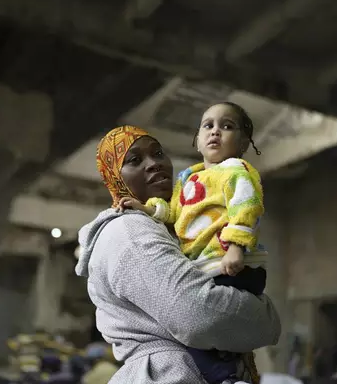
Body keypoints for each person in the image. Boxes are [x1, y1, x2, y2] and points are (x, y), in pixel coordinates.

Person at [75, 125, 281, 384]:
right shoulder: (129, 229)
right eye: (135, 160)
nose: (154, 164)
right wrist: (267, 318)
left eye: (158, 153)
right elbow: (200, 315)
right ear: (115, 176)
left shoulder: (174, 227)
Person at [117, 102, 267, 383]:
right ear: (197, 141)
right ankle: (232, 372)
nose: (215, 132)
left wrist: (236, 248)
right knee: (210, 338)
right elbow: (174, 213)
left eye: (227, 126)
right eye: (207, 125)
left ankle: (226, 378)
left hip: (233, 263)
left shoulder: (237, 171)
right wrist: (147, 209)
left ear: (244, 143)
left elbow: (246, 208)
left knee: (195, 334)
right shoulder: (188, 178)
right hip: (208, 266)